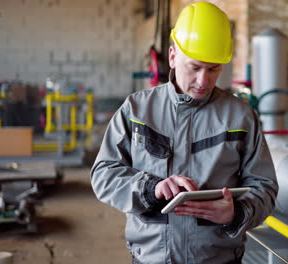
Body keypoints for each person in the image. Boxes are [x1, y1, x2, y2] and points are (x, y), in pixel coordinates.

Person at [91, 2, 278, 263]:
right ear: (172, 57)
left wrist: (236, 213)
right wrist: (151, 188)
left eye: (213, 69)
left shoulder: (241, 117)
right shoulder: (137, 109)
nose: (203, 81)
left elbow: (265, 186)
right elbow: (104, 174)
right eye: (195, 67)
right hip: (151, 258)